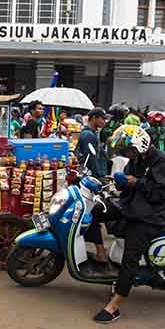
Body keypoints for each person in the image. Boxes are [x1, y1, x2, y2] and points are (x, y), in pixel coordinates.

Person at [94, 125, 165, 324]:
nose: (127, 155)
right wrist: (119, 182)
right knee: (93, 212)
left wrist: (136, 183)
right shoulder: (136, 159)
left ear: (141, 145)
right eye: (124, 152)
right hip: (130, 207)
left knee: (130, 257)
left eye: (128, 151)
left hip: (150, 215)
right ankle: (99, 253)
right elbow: (127, 186)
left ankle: (115, 304)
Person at [76, 108, 110, 267]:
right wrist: (99, 179)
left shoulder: (92, 133)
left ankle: (100, 252)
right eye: (103, 119)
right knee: (89, 216)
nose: (105, 122)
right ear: (94, 118)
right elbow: (91, 159)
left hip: (95, 179)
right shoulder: (88, 135)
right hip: (92, 181)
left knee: (91, 216)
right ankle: (100, 252)